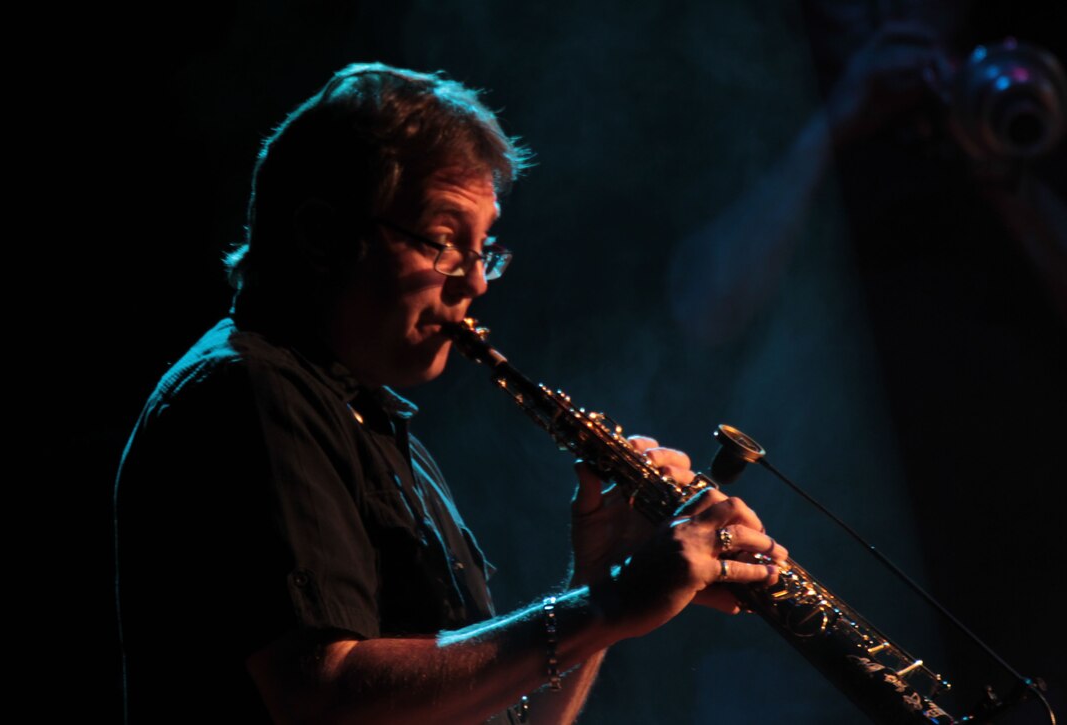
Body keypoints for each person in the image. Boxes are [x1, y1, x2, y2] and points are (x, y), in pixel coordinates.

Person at [114, 62, 787, 724]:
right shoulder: (250, 391)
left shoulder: (381, 433)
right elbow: (321, 696)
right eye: (442, 242)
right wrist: (602, 606)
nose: (476, 282)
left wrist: (597, 584)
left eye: (482, 249)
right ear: (322, 236)